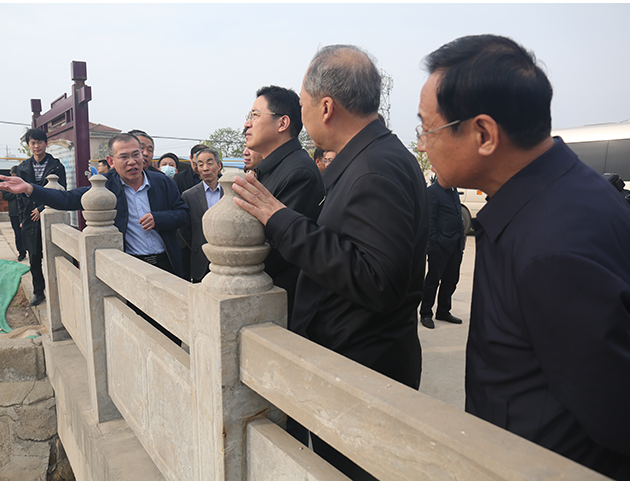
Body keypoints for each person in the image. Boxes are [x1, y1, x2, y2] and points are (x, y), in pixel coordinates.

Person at [418, 34, 630, 480]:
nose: (422, 144)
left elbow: (613, 416)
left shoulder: (553, 249)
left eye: (427, 128)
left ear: (483, 134)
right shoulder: (559, 196)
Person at [233, 45, 429, 480]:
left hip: (363, 368)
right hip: (349, 361)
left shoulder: (376, 168)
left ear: (326, 107)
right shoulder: (368, 158)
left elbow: (378, 279)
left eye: (302, 105)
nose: (301, 116)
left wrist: (280, 219)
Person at [0, 133, 189, 277]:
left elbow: (183, 214)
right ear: (111, 161)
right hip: (129, 264)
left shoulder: (162, 182)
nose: (132, 162)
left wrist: (159, 218)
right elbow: (67, 199)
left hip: (166, 262)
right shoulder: (104, 186)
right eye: (124, 157)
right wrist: (30, 188)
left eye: (136, 155)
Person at [243, 85, 325, 319]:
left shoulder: (298, 172)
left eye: (255, 115)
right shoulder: (269, 169)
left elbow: (280, 250)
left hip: (281, 302)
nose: (247, 124)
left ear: (283, 123)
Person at [18, 128, 67, 307]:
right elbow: (20, 195)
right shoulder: (23, 168)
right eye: (33, 142)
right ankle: (38, 291)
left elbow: (61, 191)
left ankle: (59, 290)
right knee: (34, 256)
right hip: (30, 218)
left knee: (54, 254)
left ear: (46, 144)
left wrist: (41, 208)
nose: (36, 146)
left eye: (39, 142)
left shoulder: (56, 166)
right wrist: (22, 219)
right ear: (28, 145)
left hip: (50, 215)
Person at [419, 181, 465, 329]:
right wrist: (434, 243)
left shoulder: (454, 191)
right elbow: (429, 219)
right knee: (433, 280)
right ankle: (426, 313)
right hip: (440, 246)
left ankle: (443, 311)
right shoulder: (432, 192)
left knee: (451, 280)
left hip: (456, 244)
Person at [180, 148, 223, 282]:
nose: (205, 168)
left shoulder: (232, 192)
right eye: (200, 164)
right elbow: (185, 230)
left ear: (219, 166)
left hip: (227, 257)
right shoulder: (189, 196)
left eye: (209, 163)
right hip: (201, 259)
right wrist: (197, 246)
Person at [1, 165, 26, 262]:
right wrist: (15, 191)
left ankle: (31, 250)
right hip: (14, 213)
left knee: (28, 233)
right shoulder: (7, 184)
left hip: (25, 211)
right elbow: (5, 196)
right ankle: (21, 252)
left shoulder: (24, 182)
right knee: (18, 234)